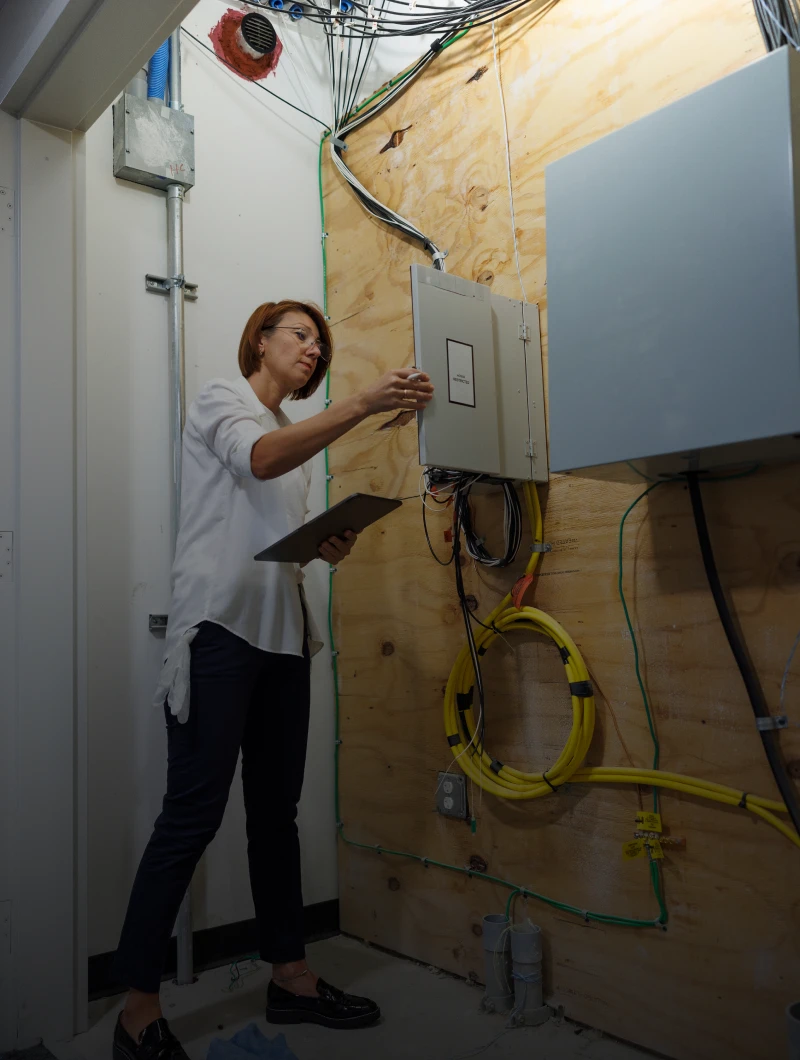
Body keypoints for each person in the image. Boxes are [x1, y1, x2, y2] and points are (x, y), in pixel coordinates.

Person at [111, 300, 433, 1060]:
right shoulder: (225, 399)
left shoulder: (295, 441)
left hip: (283, 642)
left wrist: (326, 543)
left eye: (321, 344)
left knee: (274, 818)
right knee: (189, 819)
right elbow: (257, 459)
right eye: (301, 336)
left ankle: (291, 978)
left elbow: (273, 522)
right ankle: (136, 1011)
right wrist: (361, 401)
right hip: (220, 634)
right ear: (260, 340)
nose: (314, 351)